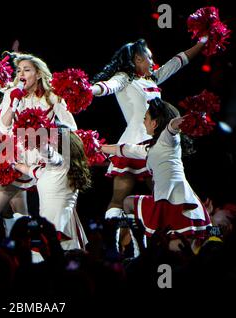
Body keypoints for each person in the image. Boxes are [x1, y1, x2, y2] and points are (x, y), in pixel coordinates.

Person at [89, 37, 208, 220]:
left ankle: (175, 229)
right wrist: (87, 90)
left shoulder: (152, 78)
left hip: (155, 141)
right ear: (137, 59)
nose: (152, 62)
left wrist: (201, 44)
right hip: (134, 141)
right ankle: (115, 234)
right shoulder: (124, 78)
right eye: (149, 58)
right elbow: (107, 87)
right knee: (118, 199)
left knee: (164, 197)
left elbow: (177, 62)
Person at [0, 52, 78, 256]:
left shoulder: (53, 96)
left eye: (27, 70)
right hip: (17, 159)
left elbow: (71, 127)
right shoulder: (11, 93)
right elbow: (3, 130)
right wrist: (13, 104)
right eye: (19, 70)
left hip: (45, 161)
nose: (21, 73)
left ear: (38, 74)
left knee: (48, 216)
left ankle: (52, 257)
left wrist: (47, 132)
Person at [101, 98, 211, 251]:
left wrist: (190, 118)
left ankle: (139, 253)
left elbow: (173, 126)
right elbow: (126, 149)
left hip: (175, 198)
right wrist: (97, 147)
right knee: (128, 204)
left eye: (146, 118)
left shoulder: (168, 138)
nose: (143, 122)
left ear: (155, 123)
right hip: (165, 198)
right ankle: (139, 252)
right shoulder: (152, 148)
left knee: (178, 248)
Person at [14, 127, 91, 251]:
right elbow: (26, 169)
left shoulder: (61, 165)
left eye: (52, 141)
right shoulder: (48, 170)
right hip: (48, 228)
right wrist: (8, 161)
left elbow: (48, 153)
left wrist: (37, 137)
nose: (49, 142)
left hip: (61, 229)